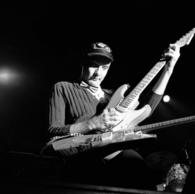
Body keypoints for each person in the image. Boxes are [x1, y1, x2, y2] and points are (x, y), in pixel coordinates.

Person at [45, 41, 181, 189]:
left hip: (116, 154)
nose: (98, 73)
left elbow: (147, 107)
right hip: (83, 156)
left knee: (142, 173)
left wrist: (168, 69)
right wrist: (92, 123)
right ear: (82, 63)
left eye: (104, 68)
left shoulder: (114, 96)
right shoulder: (63, 87)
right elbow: (53, 130)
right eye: (93, 65)